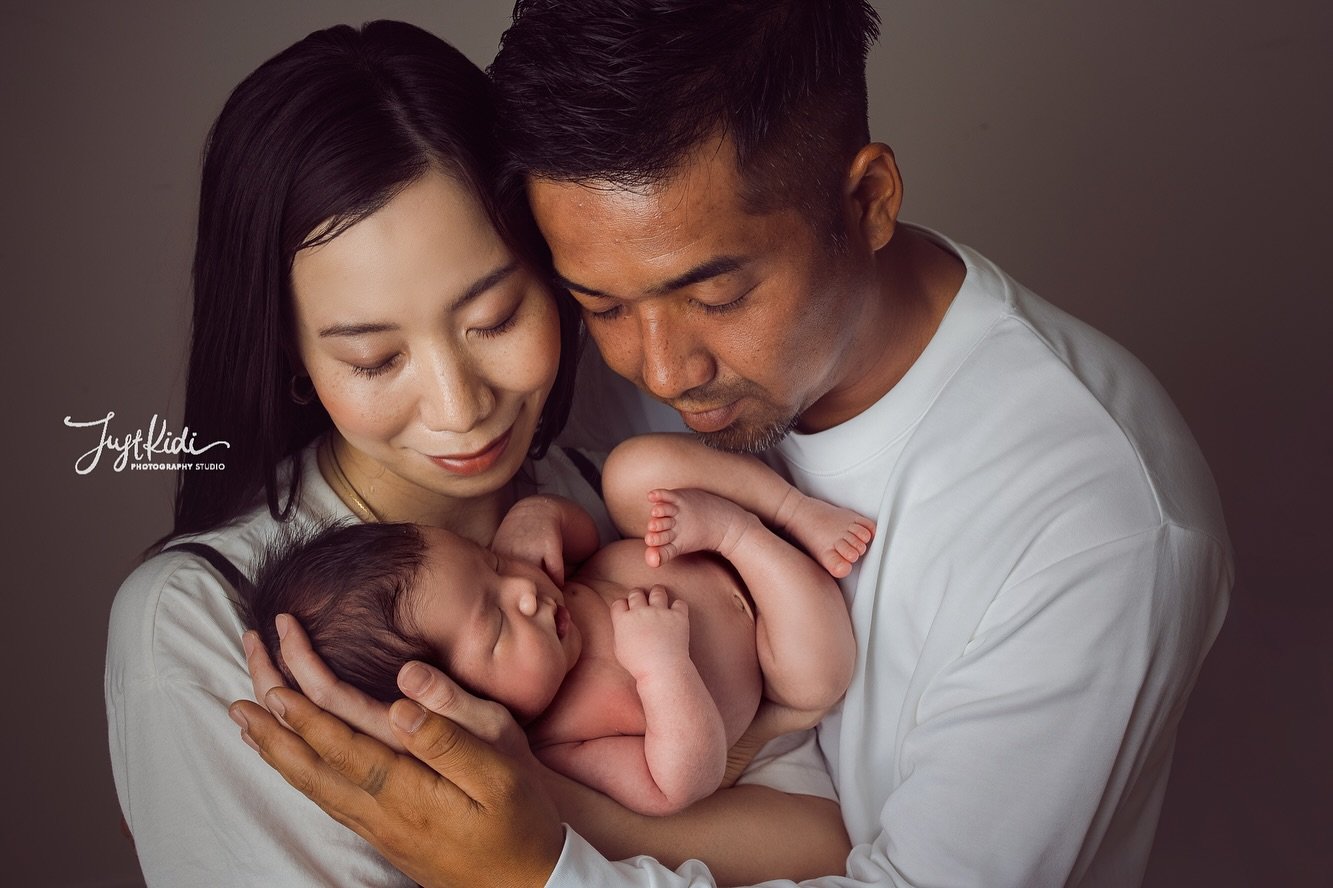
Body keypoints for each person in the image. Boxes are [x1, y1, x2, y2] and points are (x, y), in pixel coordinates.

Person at [233, 2, 1234, 887]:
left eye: (716, 295)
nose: (661, 372)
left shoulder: (1095, 523)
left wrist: (534, 864)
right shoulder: (583, 398)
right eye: (599, 304)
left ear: (869, 200)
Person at [104, 20, 851, 886]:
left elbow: (825, 848)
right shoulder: (207, 625)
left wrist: (537, 818)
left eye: (494, 319)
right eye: (373, 359)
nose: (461, 410)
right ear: (294, 356)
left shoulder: (597, 494)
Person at [240, 432, 871, 816]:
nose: (525, 591)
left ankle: (791, 508)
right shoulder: (563, 744)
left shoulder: (532, 594)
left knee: (632, 472)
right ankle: (752, 533)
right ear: (454, 702)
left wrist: (539, 515)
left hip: (690, 544)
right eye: (494, 629)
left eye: (488, 564)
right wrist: (663, 669)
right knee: (816, 679)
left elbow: (585, 532)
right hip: (773, 648)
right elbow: (678, 783)